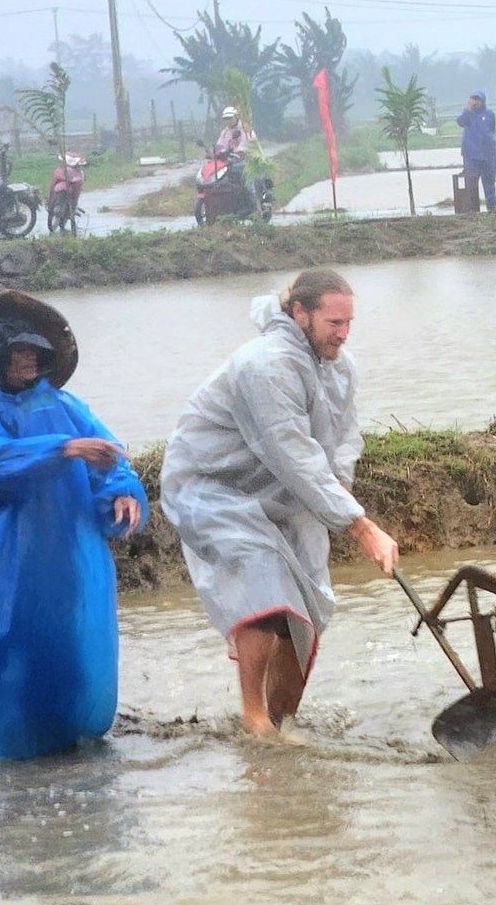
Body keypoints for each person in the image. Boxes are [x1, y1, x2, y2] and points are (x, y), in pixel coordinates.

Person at [160, 269, 399, 736]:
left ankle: (282, 721)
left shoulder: (341, 367)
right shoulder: (265, 364)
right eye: (334, 323)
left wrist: (340, 497)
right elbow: (289, 449)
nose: (344, 334)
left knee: (305, 609)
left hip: (285, 497)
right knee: (263, 582)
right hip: (215, 487)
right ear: (300, 313)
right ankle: (253, 717)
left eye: (349, 322)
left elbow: (342, 441)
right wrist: (361, 526)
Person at [0, 291, 148, 764]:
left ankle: (59, 742)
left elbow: (109, 456)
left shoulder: (64, 406)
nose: (29, 359)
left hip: (56, 557)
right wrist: (62, 450)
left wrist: (122, 492)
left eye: (35, 351)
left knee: (57, 644)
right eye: (18, 351)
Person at [457, 89, 496, 212]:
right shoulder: (468, 115)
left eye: (478, 99)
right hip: (471, 156)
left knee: (489, 183)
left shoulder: (489, 114)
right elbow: (460, 122)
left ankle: (492, 208)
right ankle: (472, 210)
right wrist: (468, 109)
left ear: (483, 101)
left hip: (488, 155)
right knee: (470, 184)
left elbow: (492, 129)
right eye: (473, 99)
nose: (475, 102)